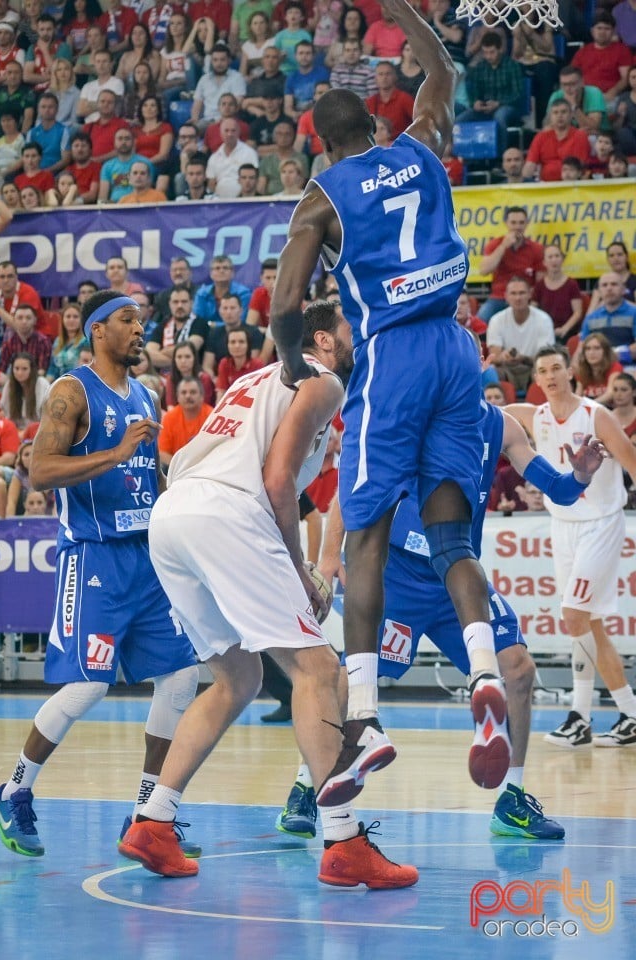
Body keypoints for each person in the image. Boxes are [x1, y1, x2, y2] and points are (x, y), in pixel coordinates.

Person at [270, 0, 512, 800]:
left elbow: (283, 306)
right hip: (457, 350)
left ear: (319, 141)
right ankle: (482, 671)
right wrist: (402, 10)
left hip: (396, 360)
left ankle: (366, 720)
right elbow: (443, 70)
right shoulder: (420, 144)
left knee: (366, 534)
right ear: (376, 120)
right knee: (451, 534)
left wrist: (288, 366)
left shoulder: (323, 197)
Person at [119, 299, 418, 889]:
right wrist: (300, 567)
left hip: (174, 515)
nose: (358, 340)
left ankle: (152, 820)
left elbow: (203, 459)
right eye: (350, 331)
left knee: (238, 679)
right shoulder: (324, 380)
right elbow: (277, 480)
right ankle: (341, 838)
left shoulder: (254, 378)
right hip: (228, 512)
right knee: (318, 667)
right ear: (325, 342)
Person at [277, 400, 604, 840]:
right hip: (399, 574)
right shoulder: (412, 411)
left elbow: (557, 489)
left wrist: (580, 475)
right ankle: (306, 785)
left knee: (519, 670)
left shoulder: (501, 426)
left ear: (479, 363)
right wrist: (330, 554)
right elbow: (355, 483)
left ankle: (512, 797)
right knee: (346, 682)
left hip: (458, 575)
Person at [0, 290, 201, 859]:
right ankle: (14, 790)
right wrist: (111, 454)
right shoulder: (70, 391)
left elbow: (148, 482)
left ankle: (146, 814)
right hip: (93, 558)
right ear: (97, 331)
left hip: (146, 560)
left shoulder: (145, 394)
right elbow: (38, 470)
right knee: (88, 685)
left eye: (142, 320)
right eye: (128, 321)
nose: (140, 330)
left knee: (183, 678)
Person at [506, 346, 636, 749]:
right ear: (537, 378)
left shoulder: (597, 416)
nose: (550, 375)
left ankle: (579, 717)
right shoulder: (533, 415)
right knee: (588, 623)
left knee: (573, 614)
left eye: (557, 367)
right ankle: (630, 714)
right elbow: (481, 412)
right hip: (562, 526)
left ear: (570, 372)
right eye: (542, 369)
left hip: (600, 524)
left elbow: (632, 461)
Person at [478, 206, 545, 323]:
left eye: (521, 223)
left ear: (526, 224)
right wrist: (503, 246)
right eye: (513, 223)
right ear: (506, 223)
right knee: (481, 320)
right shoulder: (495, 244)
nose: (517, 227)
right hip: (499, 297)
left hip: (525, 298)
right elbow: (484, 270)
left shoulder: (536, 248)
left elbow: (540, 282)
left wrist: (533, 301)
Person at [521, 100, 590, 183]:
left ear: (571, 115)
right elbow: (530, 165)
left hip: (572, 185)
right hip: (546, 186)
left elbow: (581, 167)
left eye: (563, 112)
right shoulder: (541, 137)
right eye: (555, 113)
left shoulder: (580, 136)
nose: (559, 116)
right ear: (550, 117)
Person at [532, 244, 583, 344]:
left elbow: (578, 312)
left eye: (557, 256)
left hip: (567, 333)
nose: (554, 260)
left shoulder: (572, 284)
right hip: (544, 333)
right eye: (550, 257)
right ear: (544, 262)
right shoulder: (539, 286)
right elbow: (532, 311)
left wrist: (564, 329)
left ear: (562, 259)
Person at [158, 375, 212, 466]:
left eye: (193, 392)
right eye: (183, 392)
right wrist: (182, 468)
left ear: (202, 396)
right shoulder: (169, 418)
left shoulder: (212, 416)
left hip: (206, 467)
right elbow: (163, 453)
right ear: (178, 397)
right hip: (178, 469)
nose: (188, 396)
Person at [574, 332, 622, 405]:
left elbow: (610, 393)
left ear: (605, 351)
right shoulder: (582, 369)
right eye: (588, 349)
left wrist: (589, 405)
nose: (591, 353)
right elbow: (578, 395)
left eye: (597, 348)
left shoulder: (615, 367)